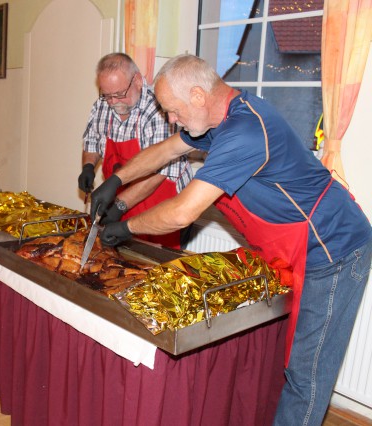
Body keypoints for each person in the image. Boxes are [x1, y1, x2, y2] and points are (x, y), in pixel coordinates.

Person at [89, 54, 372, 425]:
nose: (170, 119)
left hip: (333, 248)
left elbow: (181, 213)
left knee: (308, 374)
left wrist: (125, 228)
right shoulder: (214, 115)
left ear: (196, 95)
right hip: (294, 243)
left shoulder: (245, 132)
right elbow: (167, 150)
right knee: (295, 363)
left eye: (172, 111)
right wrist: (117, 180)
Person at [79, 52, 192, 249]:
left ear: (138, 80)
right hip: (124, 200)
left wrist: (119, 205)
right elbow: (92, 142)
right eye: (107, 95)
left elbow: (158, 173)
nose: (113, 102)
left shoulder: (159, 110)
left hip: (161, 203)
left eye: (119, 94)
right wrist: (88, 166)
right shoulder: (102, 106)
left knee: (157, 266)